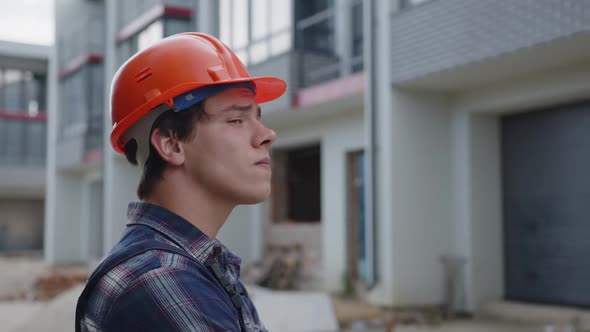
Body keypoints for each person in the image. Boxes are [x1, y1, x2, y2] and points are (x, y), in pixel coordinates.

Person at [75, 32, 286, 332]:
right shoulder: (158, 279)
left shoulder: (202, 264)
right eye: (236, 120)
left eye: (257, 117)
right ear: (171, 144)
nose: (267, 134)